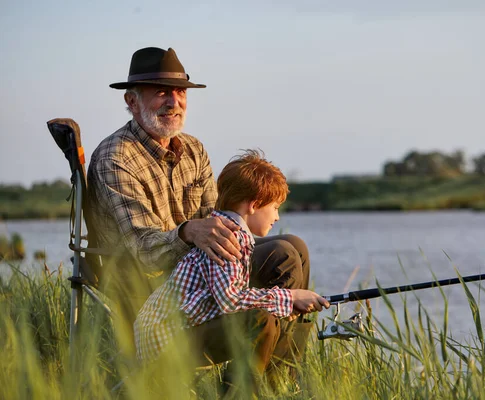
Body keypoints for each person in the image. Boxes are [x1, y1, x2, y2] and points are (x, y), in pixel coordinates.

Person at [86, 47, 322, 368]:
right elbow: (144, 251)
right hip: (154, 287)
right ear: (132, 101)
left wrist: (230, 227)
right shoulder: (116, 159)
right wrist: (188, 231)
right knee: (281, 252)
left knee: (294, 247)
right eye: (161, 93)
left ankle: (279, 375)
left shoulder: (194, 148)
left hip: (199, 269)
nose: (174, 102)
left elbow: (222, 222)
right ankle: (256, 373)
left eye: (180, 92)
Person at [134, 149, 329, 390]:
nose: (277, 217)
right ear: (255, 205)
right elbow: (230, 299)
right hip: (167, 348)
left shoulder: (224, 228)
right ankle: (250, 391)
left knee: (266, 308)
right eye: (275, 207)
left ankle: (278, 383)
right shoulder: (229, 239)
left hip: (177, 334)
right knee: (260, 319)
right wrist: (290, 297)